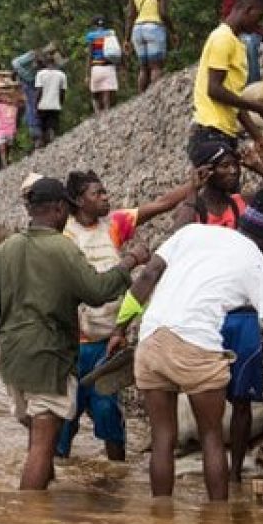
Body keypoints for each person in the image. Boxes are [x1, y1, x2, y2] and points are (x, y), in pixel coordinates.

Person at [121, 190, 263, 500]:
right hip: (196, 345)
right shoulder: (257, 264)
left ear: (242, 222)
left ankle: (161, 520)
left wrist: (119, 329)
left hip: (150, 339)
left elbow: (148, 275)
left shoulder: (192, 233)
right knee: (211, 438)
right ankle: (217, 521)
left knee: (162, 439)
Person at [0, 177, 149, 490]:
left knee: (37, 438)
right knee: (43, 446)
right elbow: (98, 291)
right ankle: (31, 515)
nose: (69, 215)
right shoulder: (63, 248)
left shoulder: (5, 249)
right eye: (67, 208)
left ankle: (43, 508)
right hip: (49, 358)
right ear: (57, 208)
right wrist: (130, 261)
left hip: (13, 361)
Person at [166, 141, 263, 482]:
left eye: (235, 165)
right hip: (206, 313)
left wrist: (258, 166)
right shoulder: (196, 210)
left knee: (242, 398)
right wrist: (191, 189)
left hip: (242, 312)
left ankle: (235, 473)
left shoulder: (242, 205)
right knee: (206, 394)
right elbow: (177, 238)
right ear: (206, 172)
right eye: (224, 166)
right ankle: (210, 462)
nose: (234, 171)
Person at [56, 168, 209, 462]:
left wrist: (193, 185)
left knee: (107, 412)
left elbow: (162, 204)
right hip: (71, 344)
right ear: (78, 201)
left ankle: (117, 473)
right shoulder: (64, 235)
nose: (105, 197)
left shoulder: (114, 224)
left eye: (104, 191)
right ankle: (56, 475)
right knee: (65, 418)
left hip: (107, 342)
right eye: (97, 193)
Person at [190, 0, 263, 159]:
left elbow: (233, 99)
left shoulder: (235, 42)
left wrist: (258, 137)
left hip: (222, 131)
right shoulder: (223, 39)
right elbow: (214, 89)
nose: (260, 24)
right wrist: (260, 108)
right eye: (259, 16)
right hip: (210, 131)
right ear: (248, 10)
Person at [123, 0, 177, 92]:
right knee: (156, 67)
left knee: (143, 68)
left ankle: (141, 98)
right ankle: (156, 96)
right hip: (154, 29)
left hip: (137, 30)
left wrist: (127, 39)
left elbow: (130, 16)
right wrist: (173, 31)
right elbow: (163, 14)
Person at [82, 16, 120, 113]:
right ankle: (107, 113)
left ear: (94, 25)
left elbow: (90, 55)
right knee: (107, 94)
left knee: (95, 94)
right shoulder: (111, 33)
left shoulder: (91, 36)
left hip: (96, 68)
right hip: (110, 67)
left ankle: (98, 114)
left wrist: (87, 74)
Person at [34, 54, 67, 147]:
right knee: (53, 124)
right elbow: (62, 92)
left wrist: (36, 103)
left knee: (43, 126)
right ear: (55, 63)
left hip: (42, 105)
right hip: (55, 105)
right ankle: (53, 140)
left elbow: (39, 91)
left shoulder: (40, 74)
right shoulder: (61, 75)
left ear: (45, 63)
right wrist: (60, 103)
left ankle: (43, 143)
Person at [0, 95, 19, 166]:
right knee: (4, 149)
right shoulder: (13, 106)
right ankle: (6, 163)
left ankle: (7, 163)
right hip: (6, 130)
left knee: (7, 148)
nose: (8, 99)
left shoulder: (14, 106)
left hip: (7, 130)